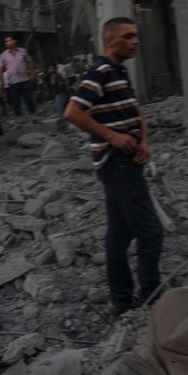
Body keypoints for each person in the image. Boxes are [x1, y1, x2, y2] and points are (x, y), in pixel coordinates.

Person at [64, 17, 163, 316]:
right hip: (116, 165)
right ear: (111, 40)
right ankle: (151, 299)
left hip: (127, 162)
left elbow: (137, 113)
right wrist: (113, 137)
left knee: (119, 236)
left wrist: (143, 142)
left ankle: (120, 298)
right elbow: (73, 111)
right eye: (128, 36)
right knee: (150, 233)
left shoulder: (120, 72)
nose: (135, 41)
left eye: (136, 35)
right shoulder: (100, 72)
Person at [0, 36, 38, 125]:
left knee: (29, 98)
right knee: (15, 101)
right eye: (6, 41)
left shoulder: (23, 51)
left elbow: (29, 62)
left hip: (25, 80)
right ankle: (18, 118)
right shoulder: (3, 55)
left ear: (14, 41)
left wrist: (32, 73)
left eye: (9, 40)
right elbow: (0, 68)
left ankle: (33, 115)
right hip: (12, 82)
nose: (7, 43)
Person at [46, 63, 70, 131]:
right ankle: (63, 125)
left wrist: (60, 86)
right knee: (59, 109)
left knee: (60, 110)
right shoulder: (51, 76)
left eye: (52, 68)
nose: (51, 70)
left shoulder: (57, 75)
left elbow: (61, 84)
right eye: (50, 68)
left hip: (61, 94)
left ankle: (63, 126)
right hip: (57, 94)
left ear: (55, 69)